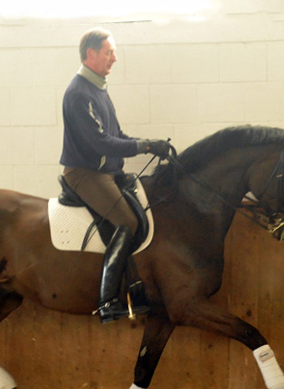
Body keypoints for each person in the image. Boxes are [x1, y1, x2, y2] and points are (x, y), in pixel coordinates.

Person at [60, 28, 170, 323]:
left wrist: (150, 144)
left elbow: (116, 135)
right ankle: (107, 300)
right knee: (127, 221)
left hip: (106, 171)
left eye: (114, 52)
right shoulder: (78, 94)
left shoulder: (98, 89)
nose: (114, 58)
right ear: (90, 55)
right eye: (109, 53)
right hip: (85, 174)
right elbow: (100, 143)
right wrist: (146, 146)